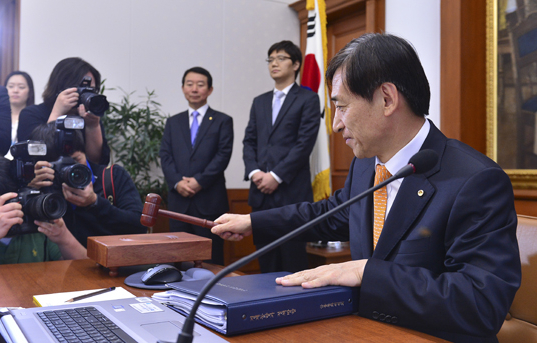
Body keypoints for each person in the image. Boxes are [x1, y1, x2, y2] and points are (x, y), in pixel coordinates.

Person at [212, 33, 521, 342]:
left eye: (342, 107)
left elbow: (481, 304)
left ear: (386, 99)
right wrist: (254, 222)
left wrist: (367, 274)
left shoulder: (475, 180)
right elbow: (334, 214)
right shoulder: (366, 164)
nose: (335, 125)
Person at [242, 40, 321, 273]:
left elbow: (304, 144)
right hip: (261, 196)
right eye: (270, 59)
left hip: (292, 194)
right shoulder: (260, 101)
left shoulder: (308, 99)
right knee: (265, 262)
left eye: (280, 58)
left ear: (296, 64)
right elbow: (249, 141)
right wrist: (255, 172)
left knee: (292, 262)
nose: (274, 64)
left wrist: (275, 176)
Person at [28, 122, 147, 247]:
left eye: (75, 161)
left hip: (112, 263)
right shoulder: (42, 185)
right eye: (58, 166)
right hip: (60, 264)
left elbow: (139, 226)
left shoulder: (112, 177)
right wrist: (30, 189)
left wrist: (95, 203)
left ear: (84, 152)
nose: (68, 170)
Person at [159, 67, 233, 265]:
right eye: (189, 84)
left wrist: (199, 181)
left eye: (200, 85)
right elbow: (165, 156)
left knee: (211, 260)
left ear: (209, 90)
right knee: (177, 259)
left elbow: (222, 156)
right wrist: (177, 182)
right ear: (183, 88)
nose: (194, 89)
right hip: (178, 204)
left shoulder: (222, 121)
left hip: (209, 202)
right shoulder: (173, 122)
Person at [16, 57, 110, 165]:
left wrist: (93, 127)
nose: (85, 93)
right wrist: (57, 112)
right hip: (45, 179)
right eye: (80, 88)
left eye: (91, 89)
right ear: (60, 86)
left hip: (83, 179)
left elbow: (97, 162)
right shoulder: (32, 114)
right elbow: (34, 157)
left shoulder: (88, 117)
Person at [4, 71, 35, 159]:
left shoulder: (34, 118)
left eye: (21, 87)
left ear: (30, 91)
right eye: (11, 86)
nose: (15, 91)